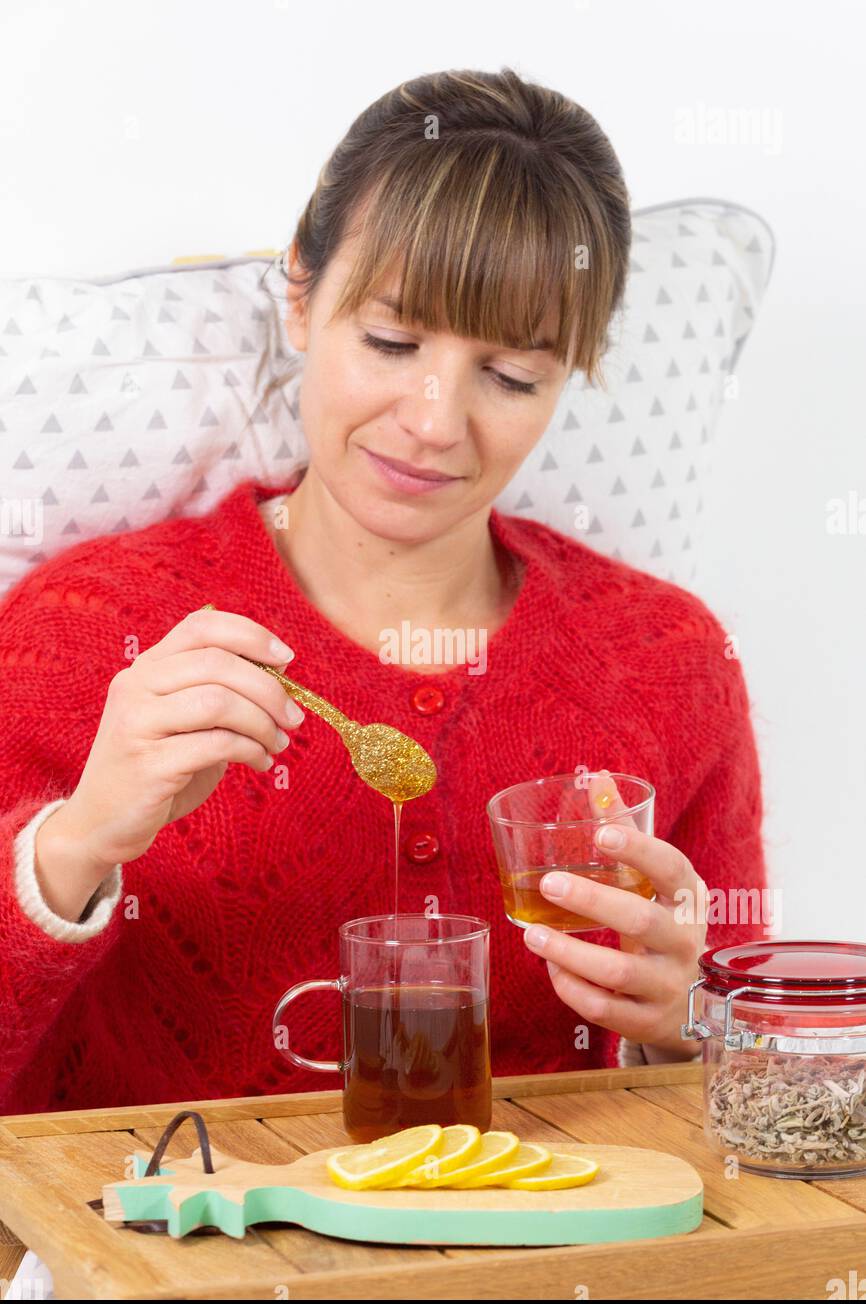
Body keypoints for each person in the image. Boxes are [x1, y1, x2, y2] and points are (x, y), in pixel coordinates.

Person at [0, 67, 767, 1123]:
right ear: (303, 294)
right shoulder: (86, 632)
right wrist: (72, 847)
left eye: (510, 376)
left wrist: (689, 1028)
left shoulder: (667, 660)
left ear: (572, 375)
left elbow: (766, 1118)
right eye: (392, 343)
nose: (433, 421)